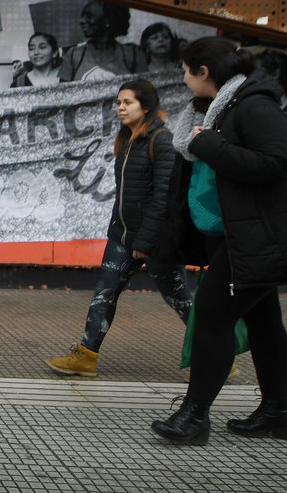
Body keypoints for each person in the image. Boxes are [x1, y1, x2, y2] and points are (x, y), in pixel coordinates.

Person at [152, 37, 287, 444]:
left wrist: (210, 144)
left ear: (204, 72)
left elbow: (276, 161)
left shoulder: (253, 105)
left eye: (185, 71)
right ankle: (279, 410)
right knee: (263, 321)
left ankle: (193, 417)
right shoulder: (214, 108)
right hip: (235, 233)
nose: (183, 78)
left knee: (212, 316)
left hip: (257, 235)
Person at [45, 79, 191, 377]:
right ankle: (86, 356)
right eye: (118, 103)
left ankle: (217, 358)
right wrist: (118, 229)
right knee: (104, 294)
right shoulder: (127, 140)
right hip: (123, 236)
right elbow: (125, 194)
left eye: (128, 102)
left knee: (180, 301)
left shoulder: (161, 141)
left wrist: (144, 241)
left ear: (145, 107)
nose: (120, 108)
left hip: (154, 241)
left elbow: (163, 198)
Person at [59, 0, 147, 81]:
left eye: (89, 16)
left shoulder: (133, 56)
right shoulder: (73, 55)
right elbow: (61, 91)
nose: (81, 21)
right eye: (82, 16)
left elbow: (144, 90)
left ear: (107, 20)